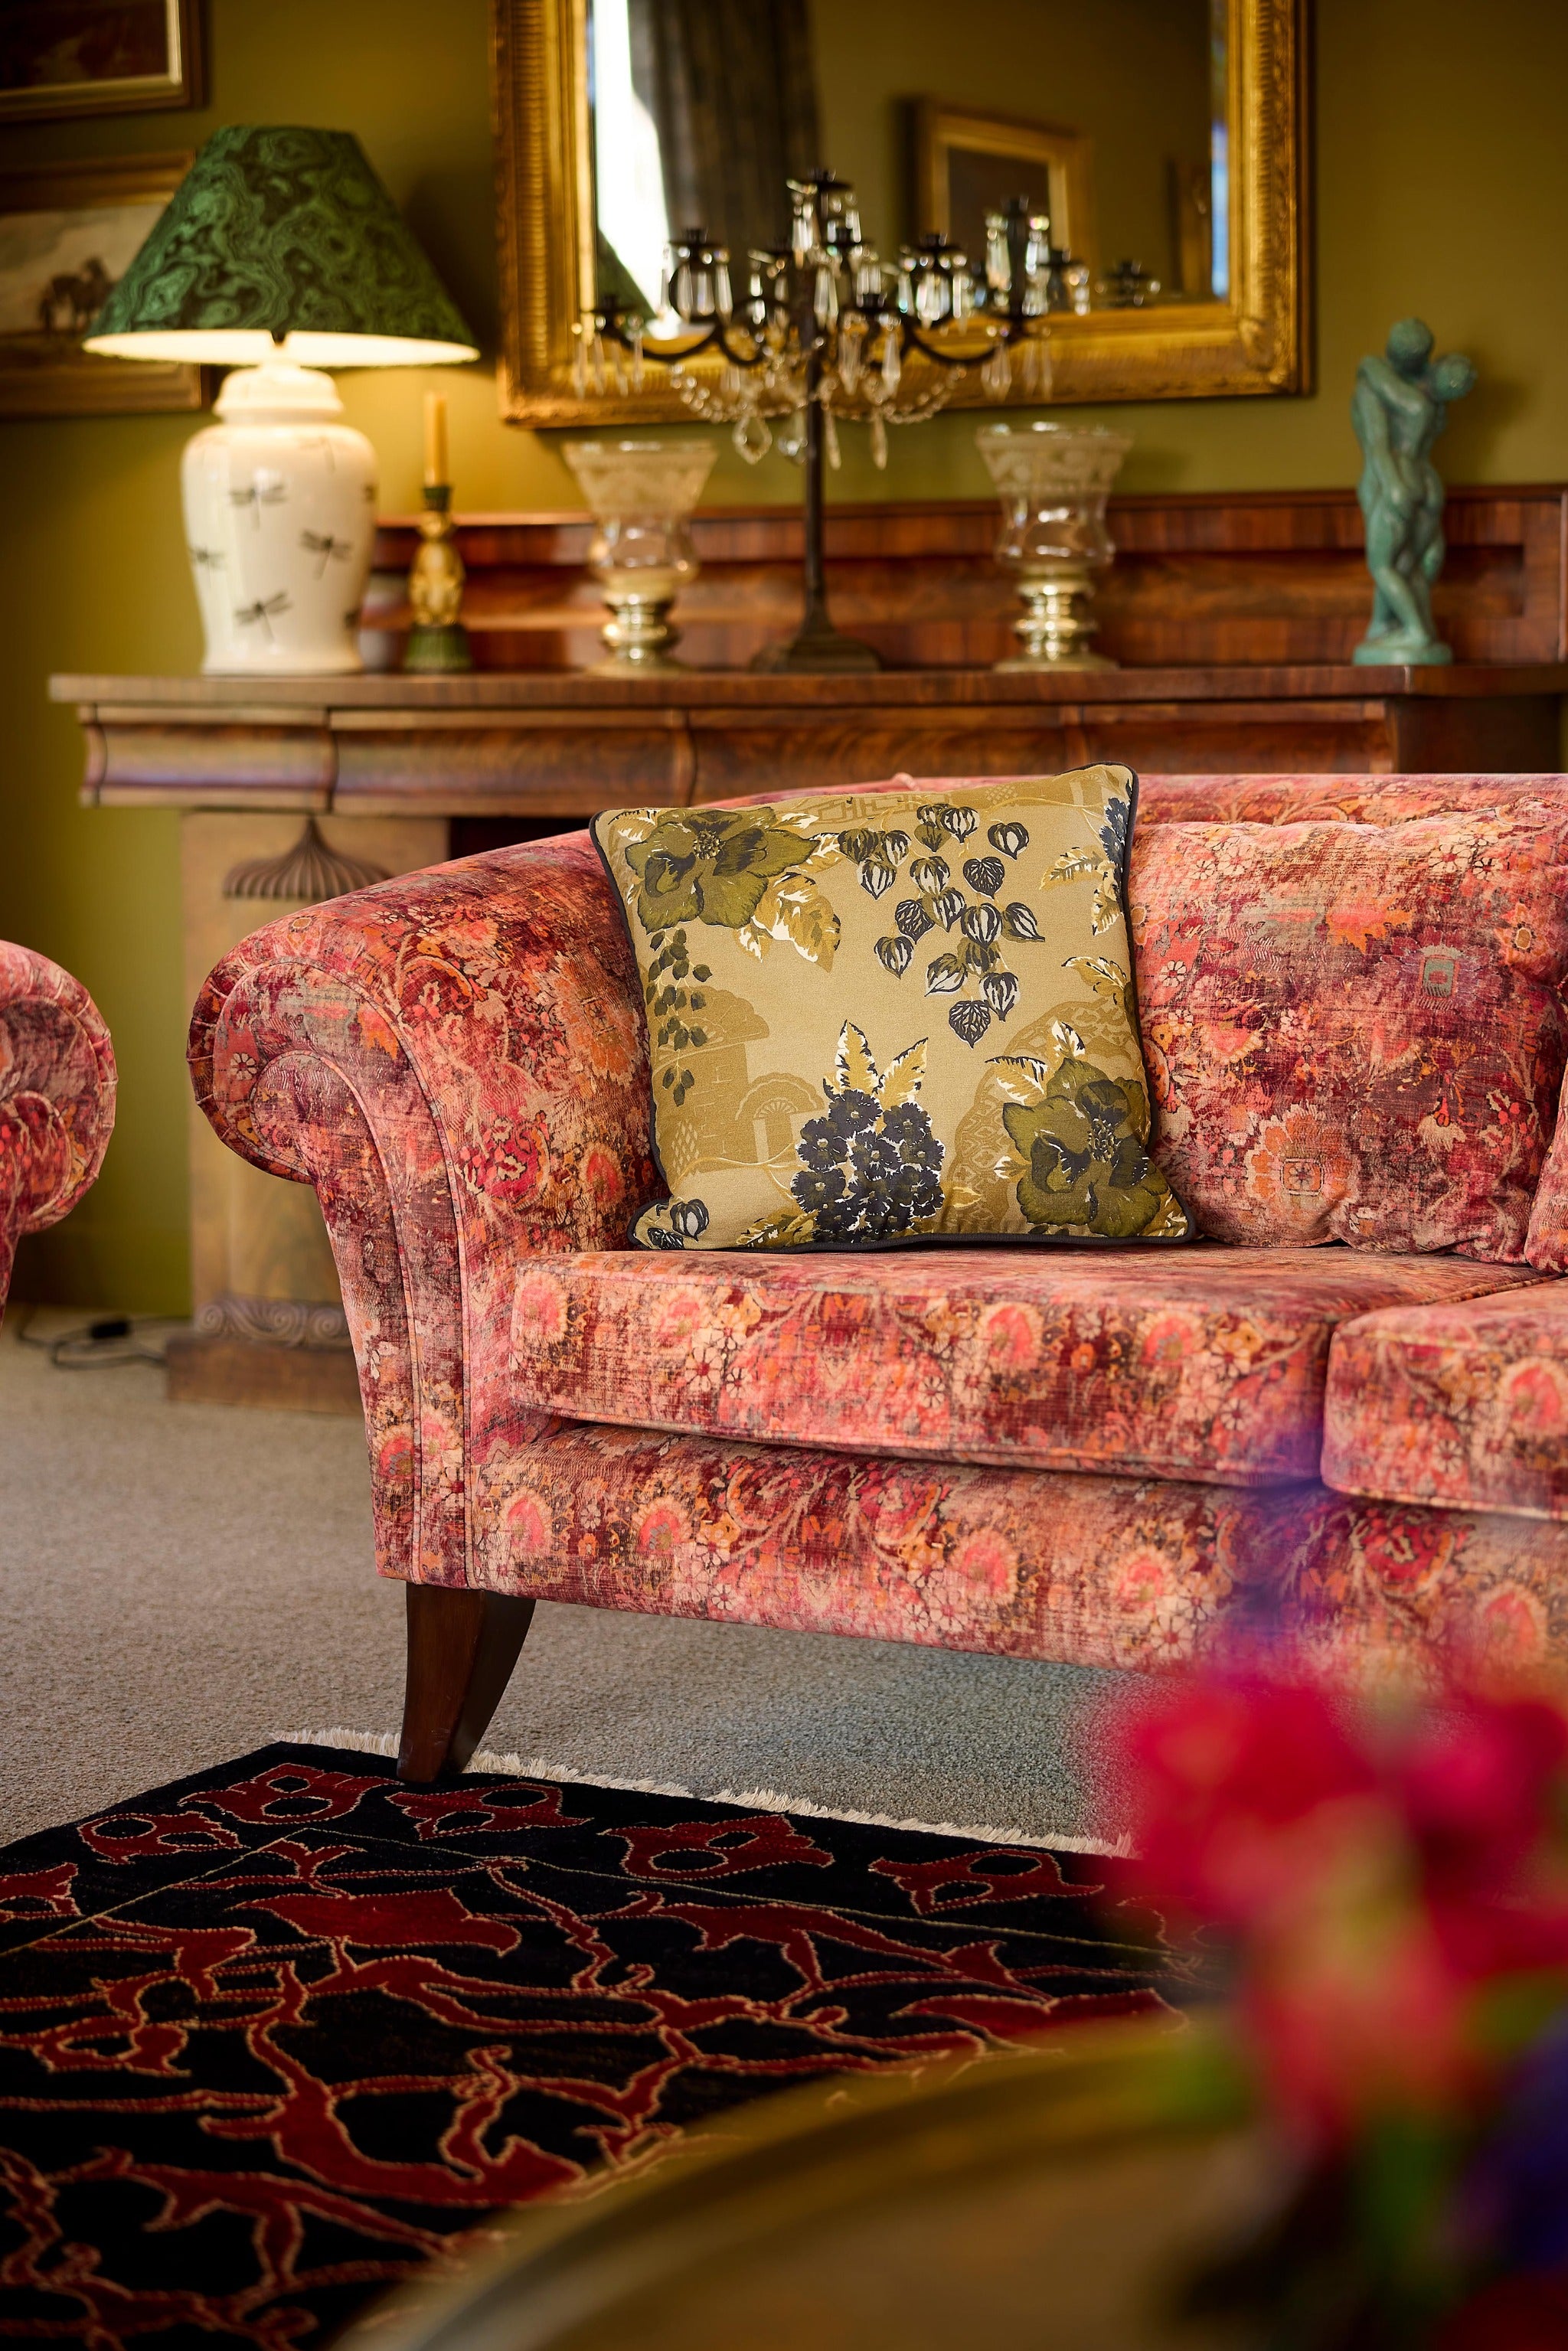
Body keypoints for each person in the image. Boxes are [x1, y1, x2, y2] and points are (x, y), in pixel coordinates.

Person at [1351, 317, 1475, 664]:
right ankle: (1382, 626)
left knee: (1383, 565)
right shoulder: (1430, 398)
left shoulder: (1380, 388)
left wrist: (1392, 487)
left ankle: (1417, 631)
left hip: (1397, 479)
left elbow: (1378, 446)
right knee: (1409, 565)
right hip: (1429, 481)